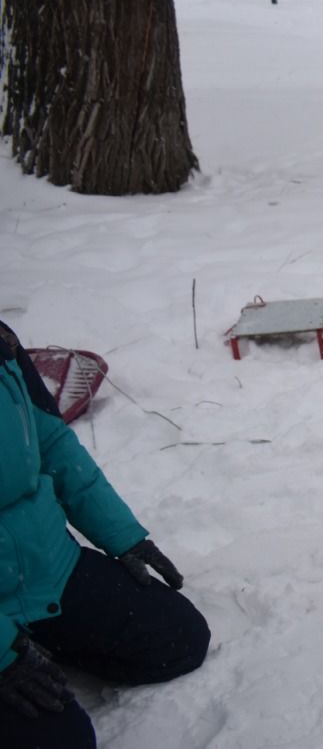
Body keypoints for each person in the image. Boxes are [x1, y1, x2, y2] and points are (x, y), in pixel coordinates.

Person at [0, 320, 210, 748]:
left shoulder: (2, 345)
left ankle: (38, 640)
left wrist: (122, 535)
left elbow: (53, 442)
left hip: (47, 571)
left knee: (178, 639)